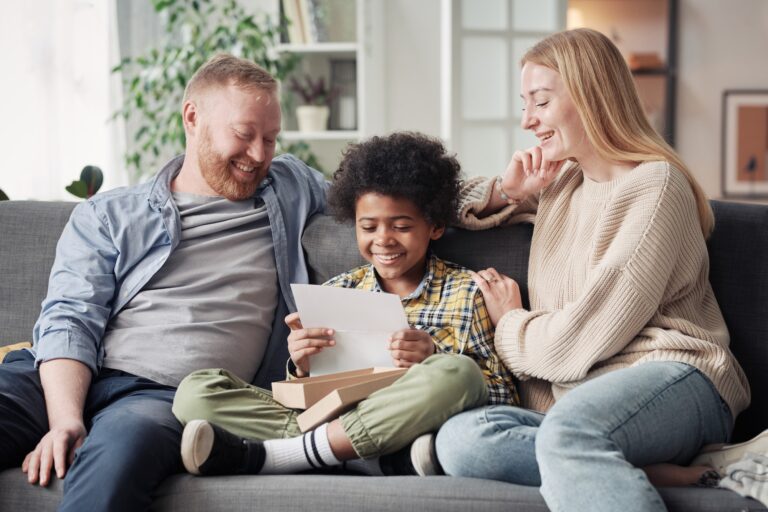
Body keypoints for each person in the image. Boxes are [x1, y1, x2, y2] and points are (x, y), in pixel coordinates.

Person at [432, 28, 753, 511]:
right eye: (525, 104)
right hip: (583, 404)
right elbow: (438, 206)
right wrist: (508, 190)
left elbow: (578, 342)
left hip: (677, 377)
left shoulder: (655, 186)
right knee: (461, 440)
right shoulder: (561, 185)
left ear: (590, 94)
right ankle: (626, 468)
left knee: (569, 432)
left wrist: (511, 323)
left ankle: (586, 452)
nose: (527, 121)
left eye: (539, 102)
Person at [0, 54, 329, 511]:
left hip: (166, 397)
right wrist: (65, 420)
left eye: (270, 139)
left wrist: (463, 202)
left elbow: (381, 191)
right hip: (55, 378)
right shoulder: (110, 214)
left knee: (113, 468)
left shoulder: (290, 186)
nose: (259, 155)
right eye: (243, 135)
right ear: (192, 118)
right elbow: (70, 320)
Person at [171, 131, 518, 477]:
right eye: (368, 226)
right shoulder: (338, 289)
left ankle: (285, 455)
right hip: (334, 419)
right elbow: (310, 397)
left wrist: (433, 356)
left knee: (458, 373)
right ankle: (365, 458)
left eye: (401, 226)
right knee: (195, 392)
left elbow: (502, 398)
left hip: (408, 420)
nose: (383, 239)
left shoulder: (467, 293)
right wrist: (302, 365)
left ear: (436, 226)